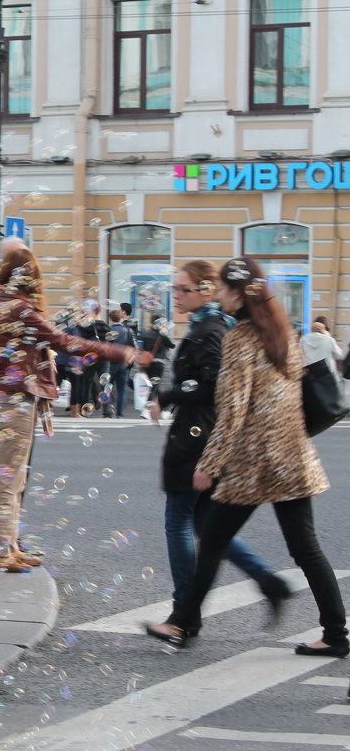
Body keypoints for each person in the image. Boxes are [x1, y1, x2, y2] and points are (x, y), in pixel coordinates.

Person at [146, 256, 346, 655]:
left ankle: (182, 622)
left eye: (221, 288)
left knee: (214, 542)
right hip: (292, 457)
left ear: (237, 294)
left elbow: (233, 408)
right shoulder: (282, 333)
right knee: (305, 547)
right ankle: (336, 635)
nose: (217, 295)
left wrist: (209, 464)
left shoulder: (240, 339)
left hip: (254, 463)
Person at [0, 248, 147, 572]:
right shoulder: (19, 308)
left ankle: (9, 545)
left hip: (0, 396)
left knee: (14, 478)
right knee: (11, 480)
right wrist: (114, 350)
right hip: (14, 398)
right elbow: (62, 340)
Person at [146, 260, 288, 638]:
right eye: (174, 289)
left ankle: (182, 615)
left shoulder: (209, 329)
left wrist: (167, 393)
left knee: (178, 522)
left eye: (182, 289)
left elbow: (211, 387)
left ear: (207, 290)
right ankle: (268, 582)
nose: (175, 295)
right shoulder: (208, 326)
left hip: (197, 439)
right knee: (209, 530)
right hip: (202, 436)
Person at [105, 310, 135, 418]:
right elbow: (134, 348)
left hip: (111, 363)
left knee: (107, 387)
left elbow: (105, 348)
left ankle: (110, 405)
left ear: (110, 319)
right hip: (124, 364)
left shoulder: (109, 330)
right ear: (121, 318)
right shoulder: (128, 330)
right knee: (122, 390)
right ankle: (120, 414)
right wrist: (129, 360)